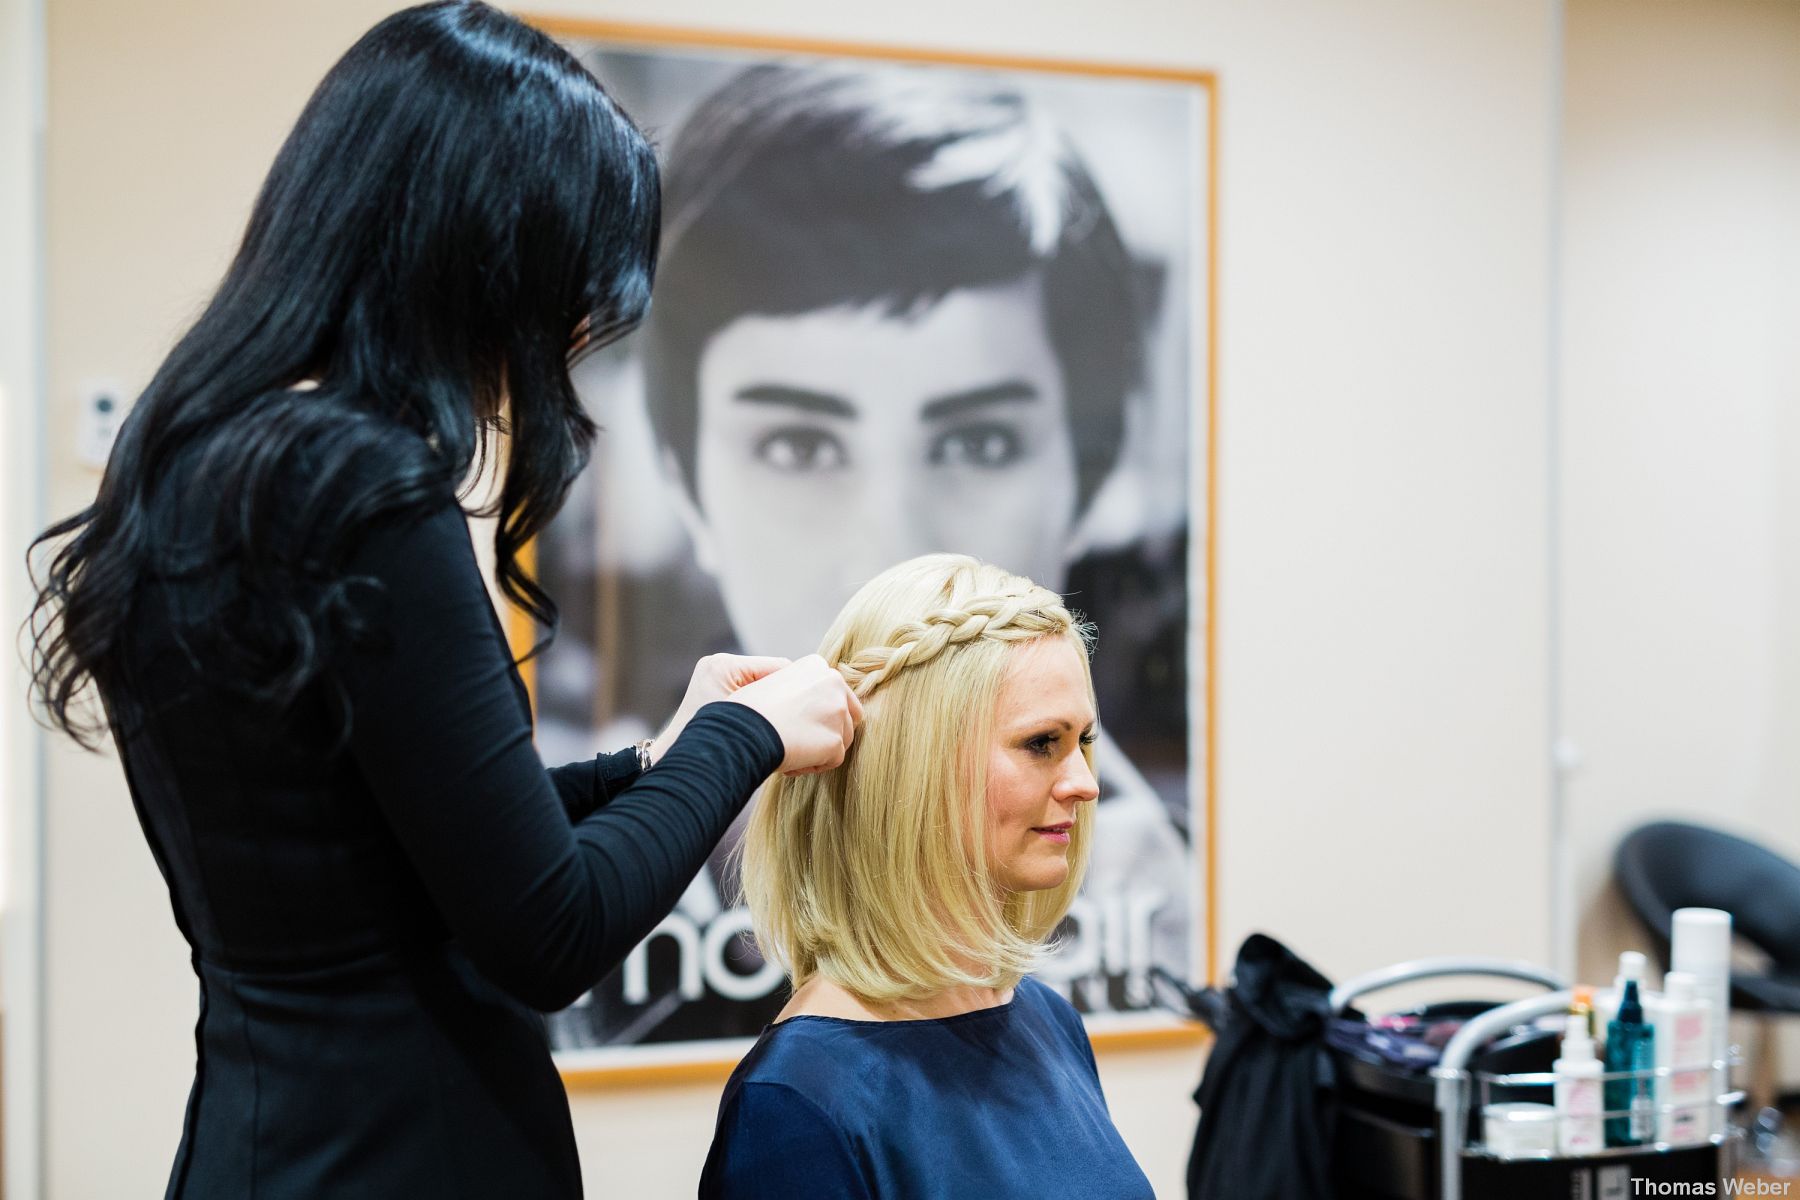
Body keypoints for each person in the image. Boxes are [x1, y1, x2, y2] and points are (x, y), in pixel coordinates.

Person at [22, 5, 858, 1197]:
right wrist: (748, 738)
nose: (565, 330)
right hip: (411, 1157)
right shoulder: (363, 488)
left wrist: (654, 759)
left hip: (255, 1148)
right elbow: (546, 931)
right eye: (564, 278)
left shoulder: (194, 464)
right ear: (480, 243)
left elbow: (416, 843)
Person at [596, 61, 1188, 1041]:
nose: (889, 547)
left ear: (1089, 475)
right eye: (798, 446)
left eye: (978, 443)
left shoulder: (1135, 930)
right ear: (683, 477)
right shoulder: (597, 943)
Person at [698, 554, 1155, 1198]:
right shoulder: (798, 1104)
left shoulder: (1047, 1022)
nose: (1085, 783)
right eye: (1041, 743)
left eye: (1083, 740)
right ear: (915, 766)